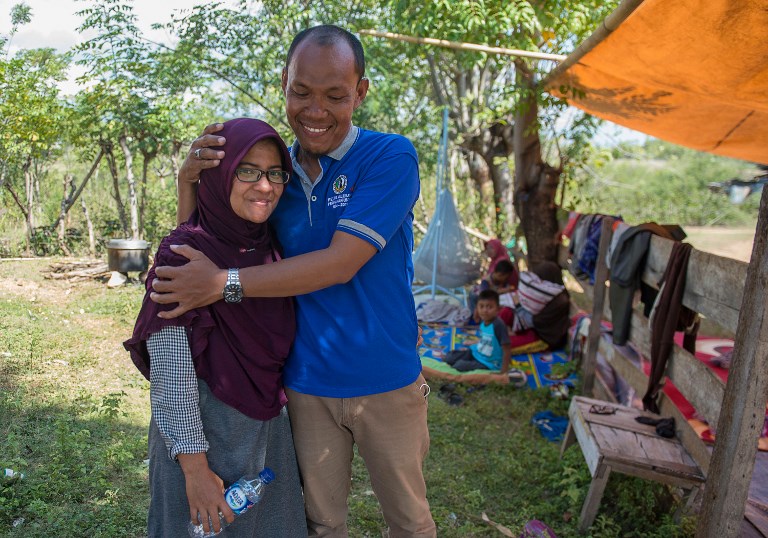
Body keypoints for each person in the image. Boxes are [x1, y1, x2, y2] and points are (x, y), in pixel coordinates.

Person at [150, 25, 436, 538]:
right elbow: (213, 236)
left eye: (335, 95)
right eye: (301, 92)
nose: (316, 110)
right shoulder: (273, 170)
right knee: (322, 523)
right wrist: (189, 183)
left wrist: (222, 283)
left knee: (410, 522)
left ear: (361, 92)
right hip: (305, 385)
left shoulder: (389, 158)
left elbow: (340, 262)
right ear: (284, 82)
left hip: (387, 379)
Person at [123, 119, 306, 537]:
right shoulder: (184, 253)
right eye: (248, 170)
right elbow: (171, 372)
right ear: (221, 175)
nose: (265, 186)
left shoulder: (268, 249)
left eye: (275, 173)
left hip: (265, 431)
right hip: (203, 435)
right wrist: (195, 469)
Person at [505, 261, 571, 350]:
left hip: (544, 338)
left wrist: (519, 307)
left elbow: (537, 322)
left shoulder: (559, 301)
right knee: (506, 313)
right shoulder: (546, 295)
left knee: (503, 345)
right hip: (533, 330)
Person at [444, 289, 512, 373]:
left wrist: (504, 371)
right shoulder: (484, 321)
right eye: (481, 306)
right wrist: (475, 342)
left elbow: (507, 348)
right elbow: (487, 338)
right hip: (476, 352)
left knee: (459, 366)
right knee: (450, 357)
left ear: (498, 309)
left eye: (490, 307)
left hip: (488, 362)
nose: (485, 310)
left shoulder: (498, 325)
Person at [469, 259, 517, 324]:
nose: (506, 279)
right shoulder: (486, 281)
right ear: (500, 274)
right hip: (477, 298)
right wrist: (503, 291)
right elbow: (485, 295)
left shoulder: (502, 281)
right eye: (505, 277)